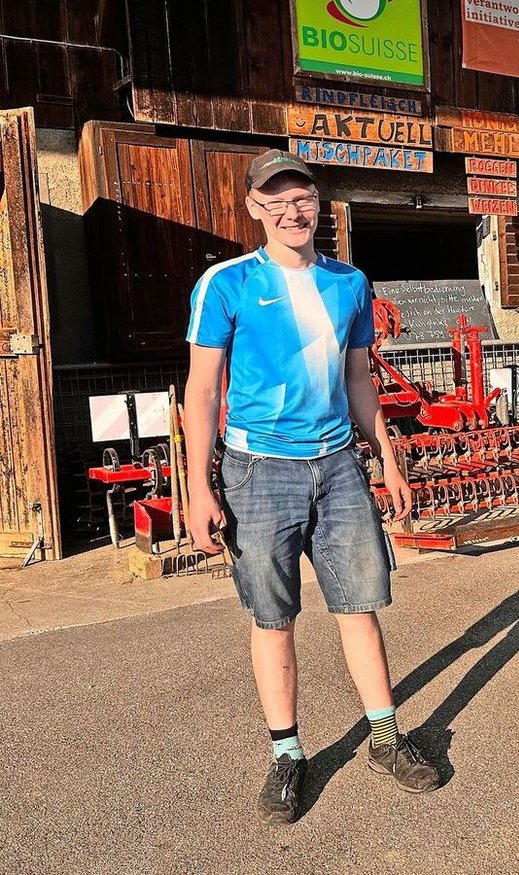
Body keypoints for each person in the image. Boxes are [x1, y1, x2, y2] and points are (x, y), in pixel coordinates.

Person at [183, 149, 440, 825]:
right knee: (274, 617)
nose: (292, 212)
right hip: (258, 471)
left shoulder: (349, 282)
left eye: (302, 199)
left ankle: (385, 738)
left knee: (360, 605)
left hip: (338, 466)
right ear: (254, 208)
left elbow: (358, 378)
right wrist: (199, 487)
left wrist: (387, 457)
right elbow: (202, 390)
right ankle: (287, 754)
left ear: (319, 206)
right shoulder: (227, 284)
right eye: (276, 201)